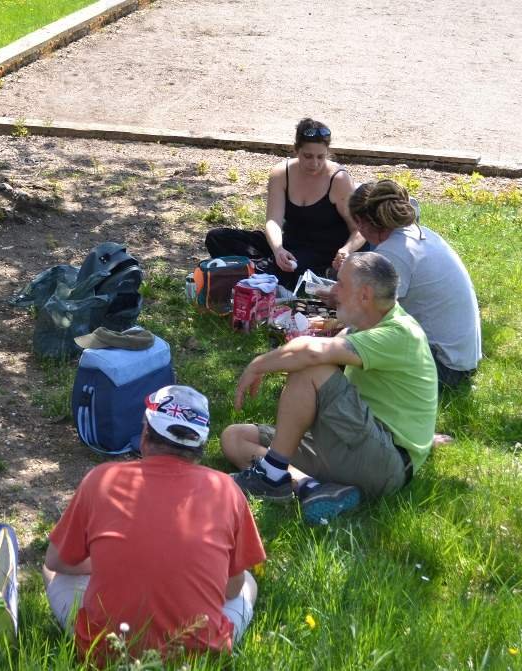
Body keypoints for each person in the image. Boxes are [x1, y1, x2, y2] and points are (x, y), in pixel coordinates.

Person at [43, 385, 265, 662]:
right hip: (196, 658)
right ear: (200, 447)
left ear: (145, 434)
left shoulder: (101, 479)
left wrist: (107, 562)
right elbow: (231, 588)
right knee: (247, 583)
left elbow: (56, 560)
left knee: (54, 572)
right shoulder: (227, 490)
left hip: (107, 652)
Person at [221, 252, 438, 524]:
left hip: (382, 462)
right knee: (235, 438)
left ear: (365, 295)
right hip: (353, 443)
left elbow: (312, 352)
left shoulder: (400, 333)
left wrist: (258, 365)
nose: (334, 291)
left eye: (341, 284)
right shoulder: (369, 323)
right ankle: (311, 487)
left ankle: (273, 475)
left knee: (311, 367)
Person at [348, 180, 481, 388]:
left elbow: (366, 320)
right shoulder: (421, 234)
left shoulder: (391, 253)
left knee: (348, 361)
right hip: (461, 360)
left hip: (443, 368)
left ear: (361, 222)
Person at [205, 118, 364, 287]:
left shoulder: (338, 179)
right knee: (217, 238)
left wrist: (346, 250)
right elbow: (273, 221)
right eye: (308, 156)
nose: (315, 163)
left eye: (321, 157)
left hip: (321, 253)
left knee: (278, 269)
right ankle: (257, 270)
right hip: (289, 243)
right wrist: (278, 249)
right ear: (296, 150)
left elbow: (360, 229)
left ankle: (248, 272)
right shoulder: (282, 173)